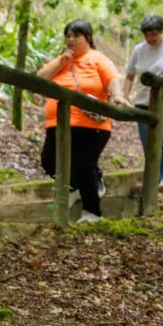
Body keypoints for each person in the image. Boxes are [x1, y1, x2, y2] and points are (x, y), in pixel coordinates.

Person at [35, 20, 128, 223]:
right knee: (49, 161)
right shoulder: (60, 61)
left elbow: (112, 79)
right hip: (58, 124)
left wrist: (118, 96)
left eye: (75, 35)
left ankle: (93, 212)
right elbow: (38, 80)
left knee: (82, 164)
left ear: (87, 38)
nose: (70, 40)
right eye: (67, 35)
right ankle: (76, 188)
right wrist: (60, 64)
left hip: (91, 126)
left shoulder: (97, 59)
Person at [124, 15, 163, 191]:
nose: (151, 39)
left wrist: (162, 81)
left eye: (154, 35)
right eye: (147, 35)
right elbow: (129, 75)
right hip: (143, 102)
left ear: (160, 32)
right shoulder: (138, 49)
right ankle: (153, 177)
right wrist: (126, 96)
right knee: (148, 142)